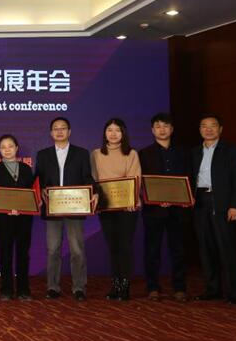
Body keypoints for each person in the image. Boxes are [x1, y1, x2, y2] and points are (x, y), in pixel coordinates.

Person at [35, 117, 96, 301]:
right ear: (51, 133)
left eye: (63, 128)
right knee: (53, 250)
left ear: (69, 132)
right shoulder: (43, 155)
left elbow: (88, 177)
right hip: (52, 208)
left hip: (75, 207)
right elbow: (38, 179)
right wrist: (42, 189)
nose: (59, 131)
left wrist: (93, 192)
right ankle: (53, 287)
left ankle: (79, 287)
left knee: (77, 250)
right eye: (56, 128)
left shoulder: (81, 153)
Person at [190, 114, 236, 304]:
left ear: (220, 129)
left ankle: (235, 292)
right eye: (204, 126)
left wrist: (235, 205)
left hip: (222, 203)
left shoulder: (231, 151)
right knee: (206, 249)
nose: (208, 129)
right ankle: (213, 289)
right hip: (200, 203)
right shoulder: (194, 152)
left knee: (226, 248)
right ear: (200, 130)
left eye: (213, 126)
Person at [138, 113, 189, 300]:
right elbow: (141, 182)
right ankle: (153, 287)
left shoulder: (184, 152)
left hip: (178, 209)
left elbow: (189, 177)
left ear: (172, 129)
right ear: (152, 130)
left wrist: (179, 198)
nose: (162, 129)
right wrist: (154, 198)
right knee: (152, 250)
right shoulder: (144, 153)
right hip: (154, 210)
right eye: (158, 126)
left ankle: (179, 288)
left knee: (178, 250)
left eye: (165, 126)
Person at [91, 118, 142, 301]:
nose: (113, 134)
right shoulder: (96, 154)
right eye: (110, 130)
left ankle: (125, 285)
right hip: (106, 207)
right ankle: (115, 284)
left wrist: (131, 199)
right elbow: (93, 180)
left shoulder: (131, 153)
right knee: (112, 247)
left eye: (117, 130)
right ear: (104, 133)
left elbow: (135, 178)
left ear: (123, 133)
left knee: (124, 246)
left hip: (127, 207)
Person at [0, 134, 34, 301]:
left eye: (10, 146)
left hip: (24, 217)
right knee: (5, 252)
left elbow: (32, 193)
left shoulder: (26, 168)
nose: (7, 150)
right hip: (4, 218)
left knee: (23, 253)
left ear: (17, 148)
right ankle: (6, 289)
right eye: (3, 147)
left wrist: (22, 207)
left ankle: (23, 289)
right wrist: (6, 207)